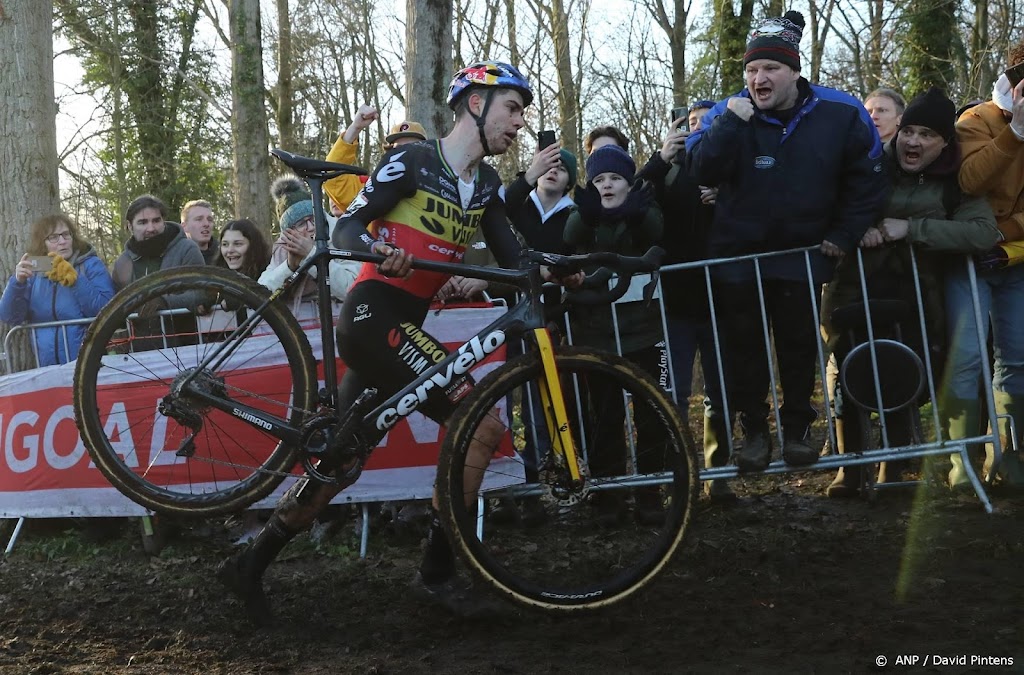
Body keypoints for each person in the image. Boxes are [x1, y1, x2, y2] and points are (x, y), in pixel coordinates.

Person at [219, 60, 573, 622]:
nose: (520, 124)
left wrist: (571, 267)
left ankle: (248, 566)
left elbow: (515, 260)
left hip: (400, 330)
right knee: (481, 425)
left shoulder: (483, 186)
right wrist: (378, 250)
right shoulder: (413, 159)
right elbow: (347, 227)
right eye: (512, 108)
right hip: (370, 316)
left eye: (523, 113)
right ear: (474, 105)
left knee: (340, 459)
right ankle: (438, 572)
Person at [685, 10, 887, 472]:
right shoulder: (727, 112)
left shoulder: (841, 111)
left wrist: (844, 231)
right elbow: (700, 172)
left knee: (798, 346)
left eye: (770, 69)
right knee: (744, 348)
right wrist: (731, 125)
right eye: (752, 70)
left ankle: (797, 430)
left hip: (802, 255)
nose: (759, 78)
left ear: (794, 71)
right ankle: (754, 431)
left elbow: (869, 178)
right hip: (738, 257)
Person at [820, 87, 999, 497]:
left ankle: (892, 469)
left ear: (945, 143)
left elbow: (983, 231)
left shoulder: (957, 181)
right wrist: (853, 227)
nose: (914, 142)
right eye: (909, 132)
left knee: (902, 368)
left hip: (918, 292)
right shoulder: (869, 165)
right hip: (856, 285)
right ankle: (849, 470)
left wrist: (912, 229)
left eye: (927, 135)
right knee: (850, 367)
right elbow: (829, 204)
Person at [564, 145, 668, 524]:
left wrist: (630, 214)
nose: (607, 185)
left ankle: (650, 492)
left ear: (630, 181)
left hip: (646, 329)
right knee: (605, 416)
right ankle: (610, 495)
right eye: (599, 179)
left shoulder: (646, 204)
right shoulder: (585, 211)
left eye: (615, 178)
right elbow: (571, 232)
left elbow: (657, 232)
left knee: (652, 414)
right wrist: (595, 215)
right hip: (598, 332)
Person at [945, 39, 1024, 489]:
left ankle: (1006, 460)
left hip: (1013, 258)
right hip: (968, 261)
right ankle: (962, 464)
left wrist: (1005, 233)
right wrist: (1018, 132)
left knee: (1016, 358)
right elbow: (970, 181)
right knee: (967, 359)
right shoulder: (975, 121)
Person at [0, 213, 115, 367]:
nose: (62, 241)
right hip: (47, 367)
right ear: (43, 243)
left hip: (87, 365)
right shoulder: (35, 272)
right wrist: (17, 283)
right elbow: (11, 317)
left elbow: (106, 309)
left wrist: (76, 281)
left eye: (66, 235)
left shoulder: (90, 265)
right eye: (53, 237)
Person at [258, 176, 360, 304]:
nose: (311, 227)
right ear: (289, 232)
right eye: (301, 224)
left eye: (314, 219)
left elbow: (352, 288)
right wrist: (289, 266)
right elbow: (260, 292)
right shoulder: (283, 247)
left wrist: (311, 255)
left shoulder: (342, 234)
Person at [111, 195, 205, 290]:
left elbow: (201, 291)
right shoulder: (122, 263)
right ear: (130, 226)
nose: (151, 228)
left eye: (156, 221)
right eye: (143, 223)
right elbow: (118, 301)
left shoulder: (186, 250)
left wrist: (164, 300)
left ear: (163, 221)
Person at [181, 199, 219, 265]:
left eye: (209, 219)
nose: (206, 224)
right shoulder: (175, 256)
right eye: (199, 219)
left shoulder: (223, 256)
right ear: (184, 226)